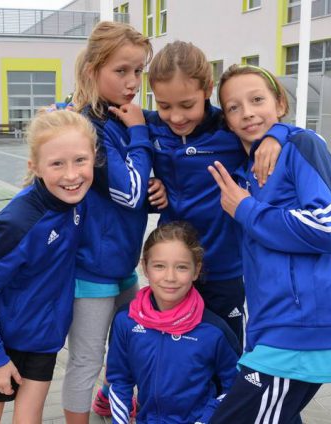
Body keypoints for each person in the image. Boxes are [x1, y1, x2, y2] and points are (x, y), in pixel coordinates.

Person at [208, 64, 331, 423]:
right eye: (234, 107)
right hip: (269, 328)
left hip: (298, 330)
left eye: (257, 100)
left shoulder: (301, 145)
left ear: (280, 104)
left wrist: (246, 209)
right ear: (227, 121)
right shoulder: (244, 172)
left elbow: (328, 228)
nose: (247, 113)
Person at [143, 41, 287, 346]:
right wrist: (151, 188)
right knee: (175, 345)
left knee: (226, 346)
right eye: (164, 106)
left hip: (224, 267)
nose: (176, 117)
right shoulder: (150, 126)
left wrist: (277, 134)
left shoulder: (229, 128)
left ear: (207, 89)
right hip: (175, 268)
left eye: (187, 105)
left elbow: (282, 129)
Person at [61, 21, 166, 424]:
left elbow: (128, 193)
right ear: (93, 71)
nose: (132, 82)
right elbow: (129, 193)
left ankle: (108, 401)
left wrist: (159, 192)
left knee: (128, 348)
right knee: (87, 360)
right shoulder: (89, 127)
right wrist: (140, 134)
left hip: (121, 266)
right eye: (121, 71)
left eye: (138, 71)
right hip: (90, 271)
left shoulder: (121, 116)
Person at [0, 110, 96, 424]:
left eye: (80, 160)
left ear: (94, 157)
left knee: (29, 418)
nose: (71, 175)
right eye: (57, 164)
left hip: (44, 339)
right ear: (34, 167)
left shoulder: (77, 200)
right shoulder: (17, 224)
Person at [106, 222, 240, 424]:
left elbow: (235, 388)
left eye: (181, 267)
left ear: (196, 270)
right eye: (159, 266)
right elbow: (119, 380)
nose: (170, 277)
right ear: (145, 267)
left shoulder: (214, 331)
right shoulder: (126, 320)